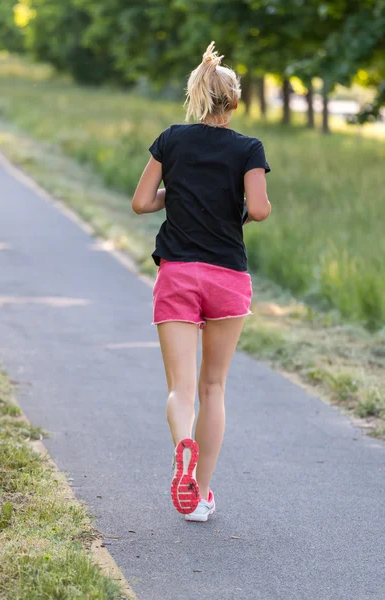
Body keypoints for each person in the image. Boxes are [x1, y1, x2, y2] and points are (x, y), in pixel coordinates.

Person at [132, 42, 271, 522]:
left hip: (177, 273)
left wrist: (184, 192)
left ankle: (182, 446)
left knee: (181, 389)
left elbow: (143, 202)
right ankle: (201, 494)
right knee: (214, 386)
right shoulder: (249, 148)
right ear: (233, 104)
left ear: (195, 97)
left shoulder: (171, 140)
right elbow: (257, 209)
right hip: (227, 277)